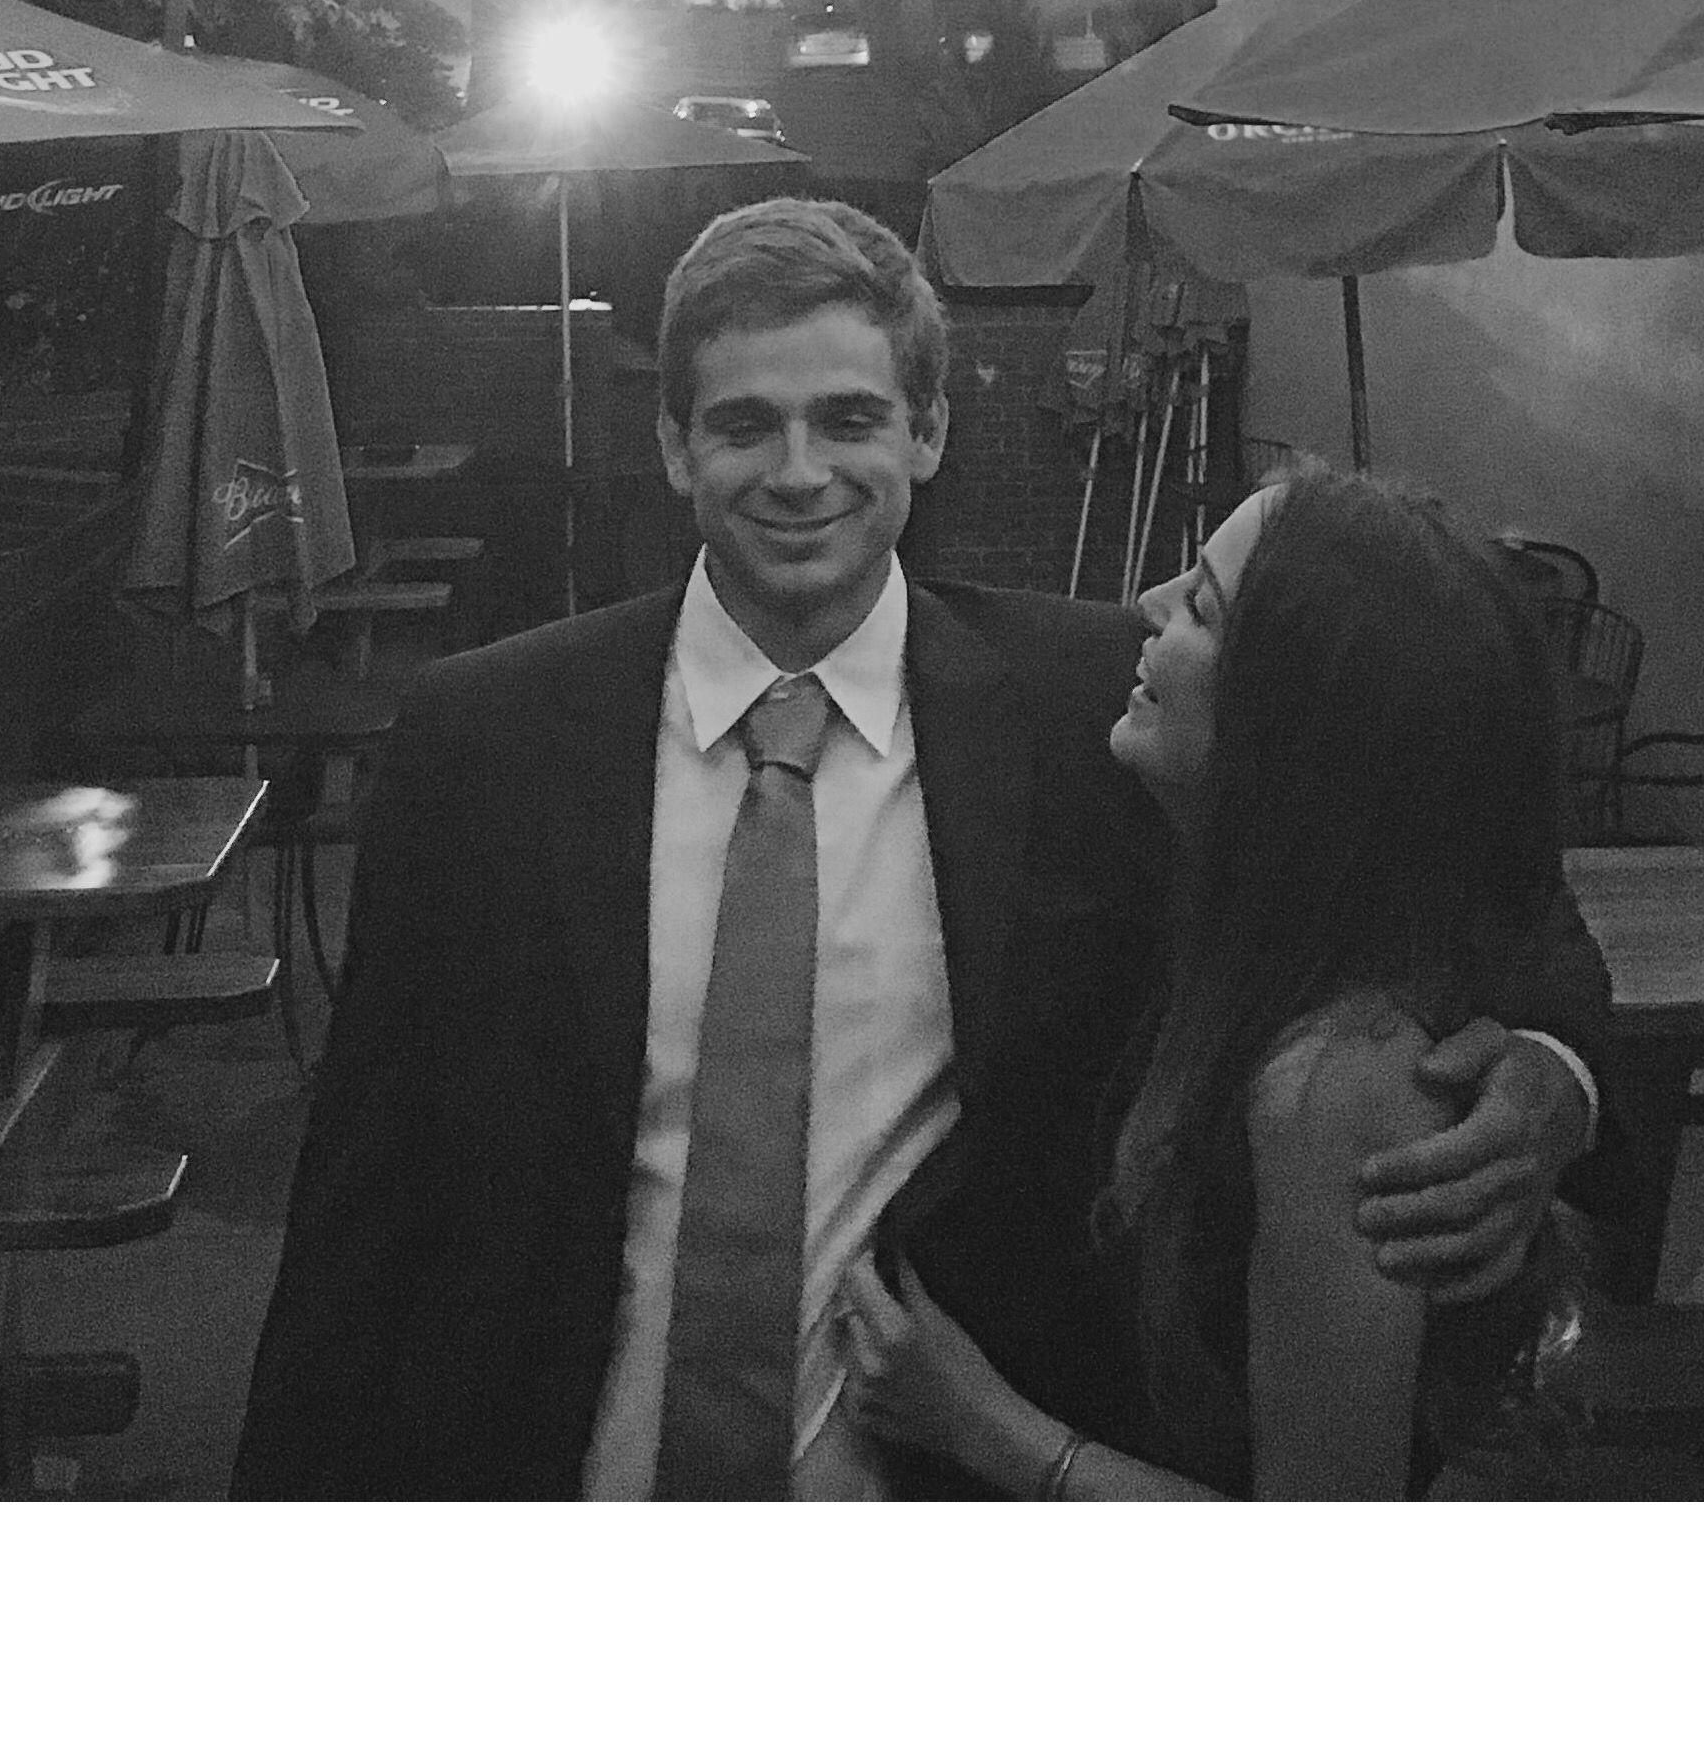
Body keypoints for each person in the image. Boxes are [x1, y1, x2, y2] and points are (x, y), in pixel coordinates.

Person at [232, 198, 1612, 1498]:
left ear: (930, 429)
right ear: (673, 446)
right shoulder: (486, 740)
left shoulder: (1102, 707)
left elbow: (1427, 846)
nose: (798, 473)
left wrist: (1551, 1069)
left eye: (849, 419)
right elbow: (363, 1191)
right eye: (744, 425)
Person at [841, 473, 1593, 1498]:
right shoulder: (1251, 919)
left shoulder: (1335, 1084)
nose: (1143, 607)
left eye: (1198, 602)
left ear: (1287, 717)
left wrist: (984, 1424)